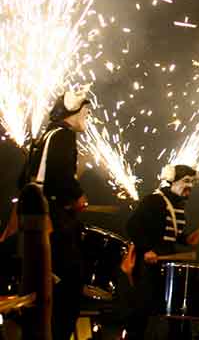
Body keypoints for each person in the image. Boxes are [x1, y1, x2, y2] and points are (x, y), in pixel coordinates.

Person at [16, 86, 92, 340]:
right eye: (87, 112)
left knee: (42, 280)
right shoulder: (65, 136)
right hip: (54, 218)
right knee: (71, 281)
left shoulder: (45, 135)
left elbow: (24, 179)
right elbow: (61, 177)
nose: (88, 118)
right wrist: (77, 195)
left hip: (33, 217)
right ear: (75, 111)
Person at [125, 164, 199, 339]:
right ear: (172, 181)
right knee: (142, 312)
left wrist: (185, 239)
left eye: (192, 182)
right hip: (148, 264)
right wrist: (146, 249)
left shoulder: (178, 204)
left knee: (177, 311)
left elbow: (169, 234)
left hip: (167, 263)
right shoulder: (154, 200)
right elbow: (132, 226)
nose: (190, 186)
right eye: (186, 181)